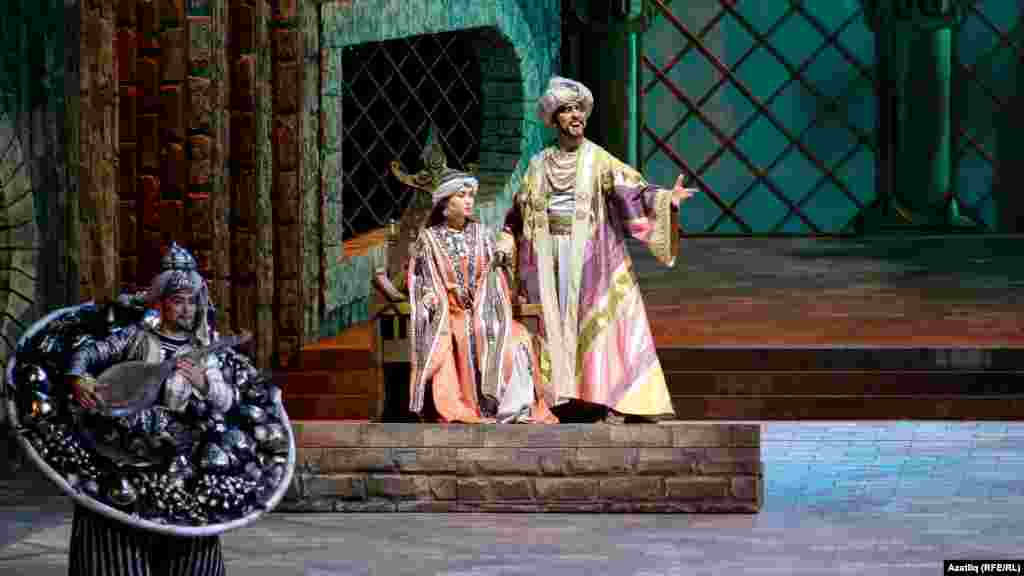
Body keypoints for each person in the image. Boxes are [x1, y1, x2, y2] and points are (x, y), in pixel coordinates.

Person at [498, 76, 696, 423]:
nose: (575, 115)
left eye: (579, 109)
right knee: (551, 327)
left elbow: (634, 192)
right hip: (547, 260)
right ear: (555, 119)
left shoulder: (598, 159)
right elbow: (518, 209)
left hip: (590, 259)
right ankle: (557, 399)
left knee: (602, 325)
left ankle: (609, 397)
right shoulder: (539, 164)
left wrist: (667, 201)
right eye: (567, 110)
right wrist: (506, 234)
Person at [64, 242, 233, 576]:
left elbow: (225, 401)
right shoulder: (135, 338)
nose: (186, 309)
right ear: (160, 302)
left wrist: (203, 383)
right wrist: (78, 378)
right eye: (178, 301)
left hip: (179, 469)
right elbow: (89, 353)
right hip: (123, 461)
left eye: (192, 302)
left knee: (191, 560)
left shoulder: (203, 352)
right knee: (114, 554)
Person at [408, 169, 558, 424]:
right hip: (450, 314)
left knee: (517, 337)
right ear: (445, 203)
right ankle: (473, 406)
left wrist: (495, 280)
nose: (469, 201)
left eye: (471, 196)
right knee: (464, 336)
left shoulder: (483, 234)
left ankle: (513, 409)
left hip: (486, 309)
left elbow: (494, 277)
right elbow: (424, 279)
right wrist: (432, 298)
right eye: (461, 195)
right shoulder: (429, 239)